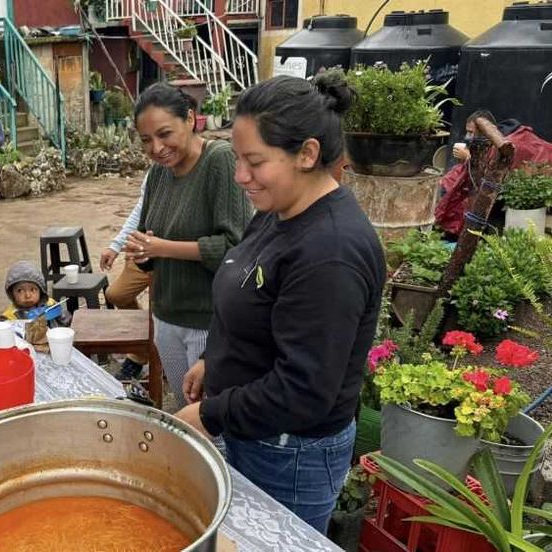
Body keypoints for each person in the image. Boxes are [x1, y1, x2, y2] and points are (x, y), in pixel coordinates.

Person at [174, 73, 386, 533]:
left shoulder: (331, 252)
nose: (239, 176)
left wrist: (212, 415)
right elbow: (250, 293)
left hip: (290, 454)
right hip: (256, 430)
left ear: (307, 154)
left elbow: (305, 390)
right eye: (237, 159)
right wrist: (215, 359)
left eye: (254, 161)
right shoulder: (281, 212)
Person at [124, 82, 251, 408]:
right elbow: (149, 239)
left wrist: (161, 247)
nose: (156, 147)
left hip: (207, 324)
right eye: (146, 140)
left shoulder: (220, 161)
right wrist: (142, 252)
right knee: (184, 405)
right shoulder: (158, 174)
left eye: (165, 133)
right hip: (166, 317)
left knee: (209, 419)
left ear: (191, 119)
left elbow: (235, 248)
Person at [435, 109, 552, 236]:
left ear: (485, 130)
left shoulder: (508, 143)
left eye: (471, 132)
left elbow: (490, 171)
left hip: (520, 187)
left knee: (457, 191)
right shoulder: (490, 141)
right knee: (449, 180)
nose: (467, 137)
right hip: (504, 184)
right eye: (467, 132)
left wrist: (468, 157)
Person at [100, 177, 151, 380]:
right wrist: (115, 246)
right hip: (142, 249)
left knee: (162, 312)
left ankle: (139, 356)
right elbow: (140, 210)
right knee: (117, 295)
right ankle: (145, 347)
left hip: (174, 257)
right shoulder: (155, 173)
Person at [0, 260, 70, 327]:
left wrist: (64, 317)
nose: (28, 295)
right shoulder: (9, 317)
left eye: (32, 289)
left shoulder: (50, 304)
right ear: (11, 293)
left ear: (40, 290)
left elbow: (65, 322)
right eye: (20, 291)